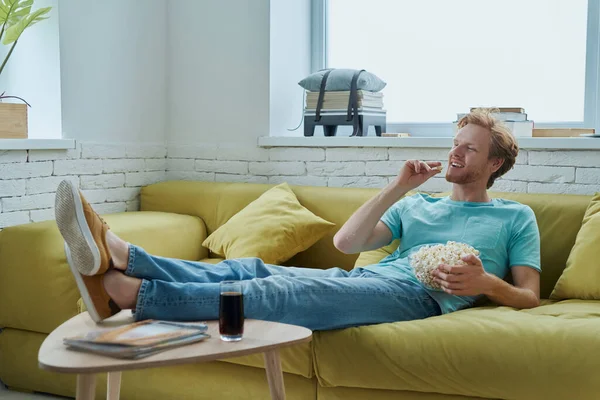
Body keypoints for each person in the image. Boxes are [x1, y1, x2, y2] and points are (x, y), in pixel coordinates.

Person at [54, 108, 540, 330]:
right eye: (455, 144)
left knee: (283, 293)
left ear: (494, 164)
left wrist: (484, 284)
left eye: (469, 148)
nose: (455, 153)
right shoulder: (419, 204)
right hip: (372, 279)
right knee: (249, 270)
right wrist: (398, 187)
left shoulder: (515, 217)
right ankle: (124, 255)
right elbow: (349, 244)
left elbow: (529, 297)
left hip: (420, 298)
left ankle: (133, 294)